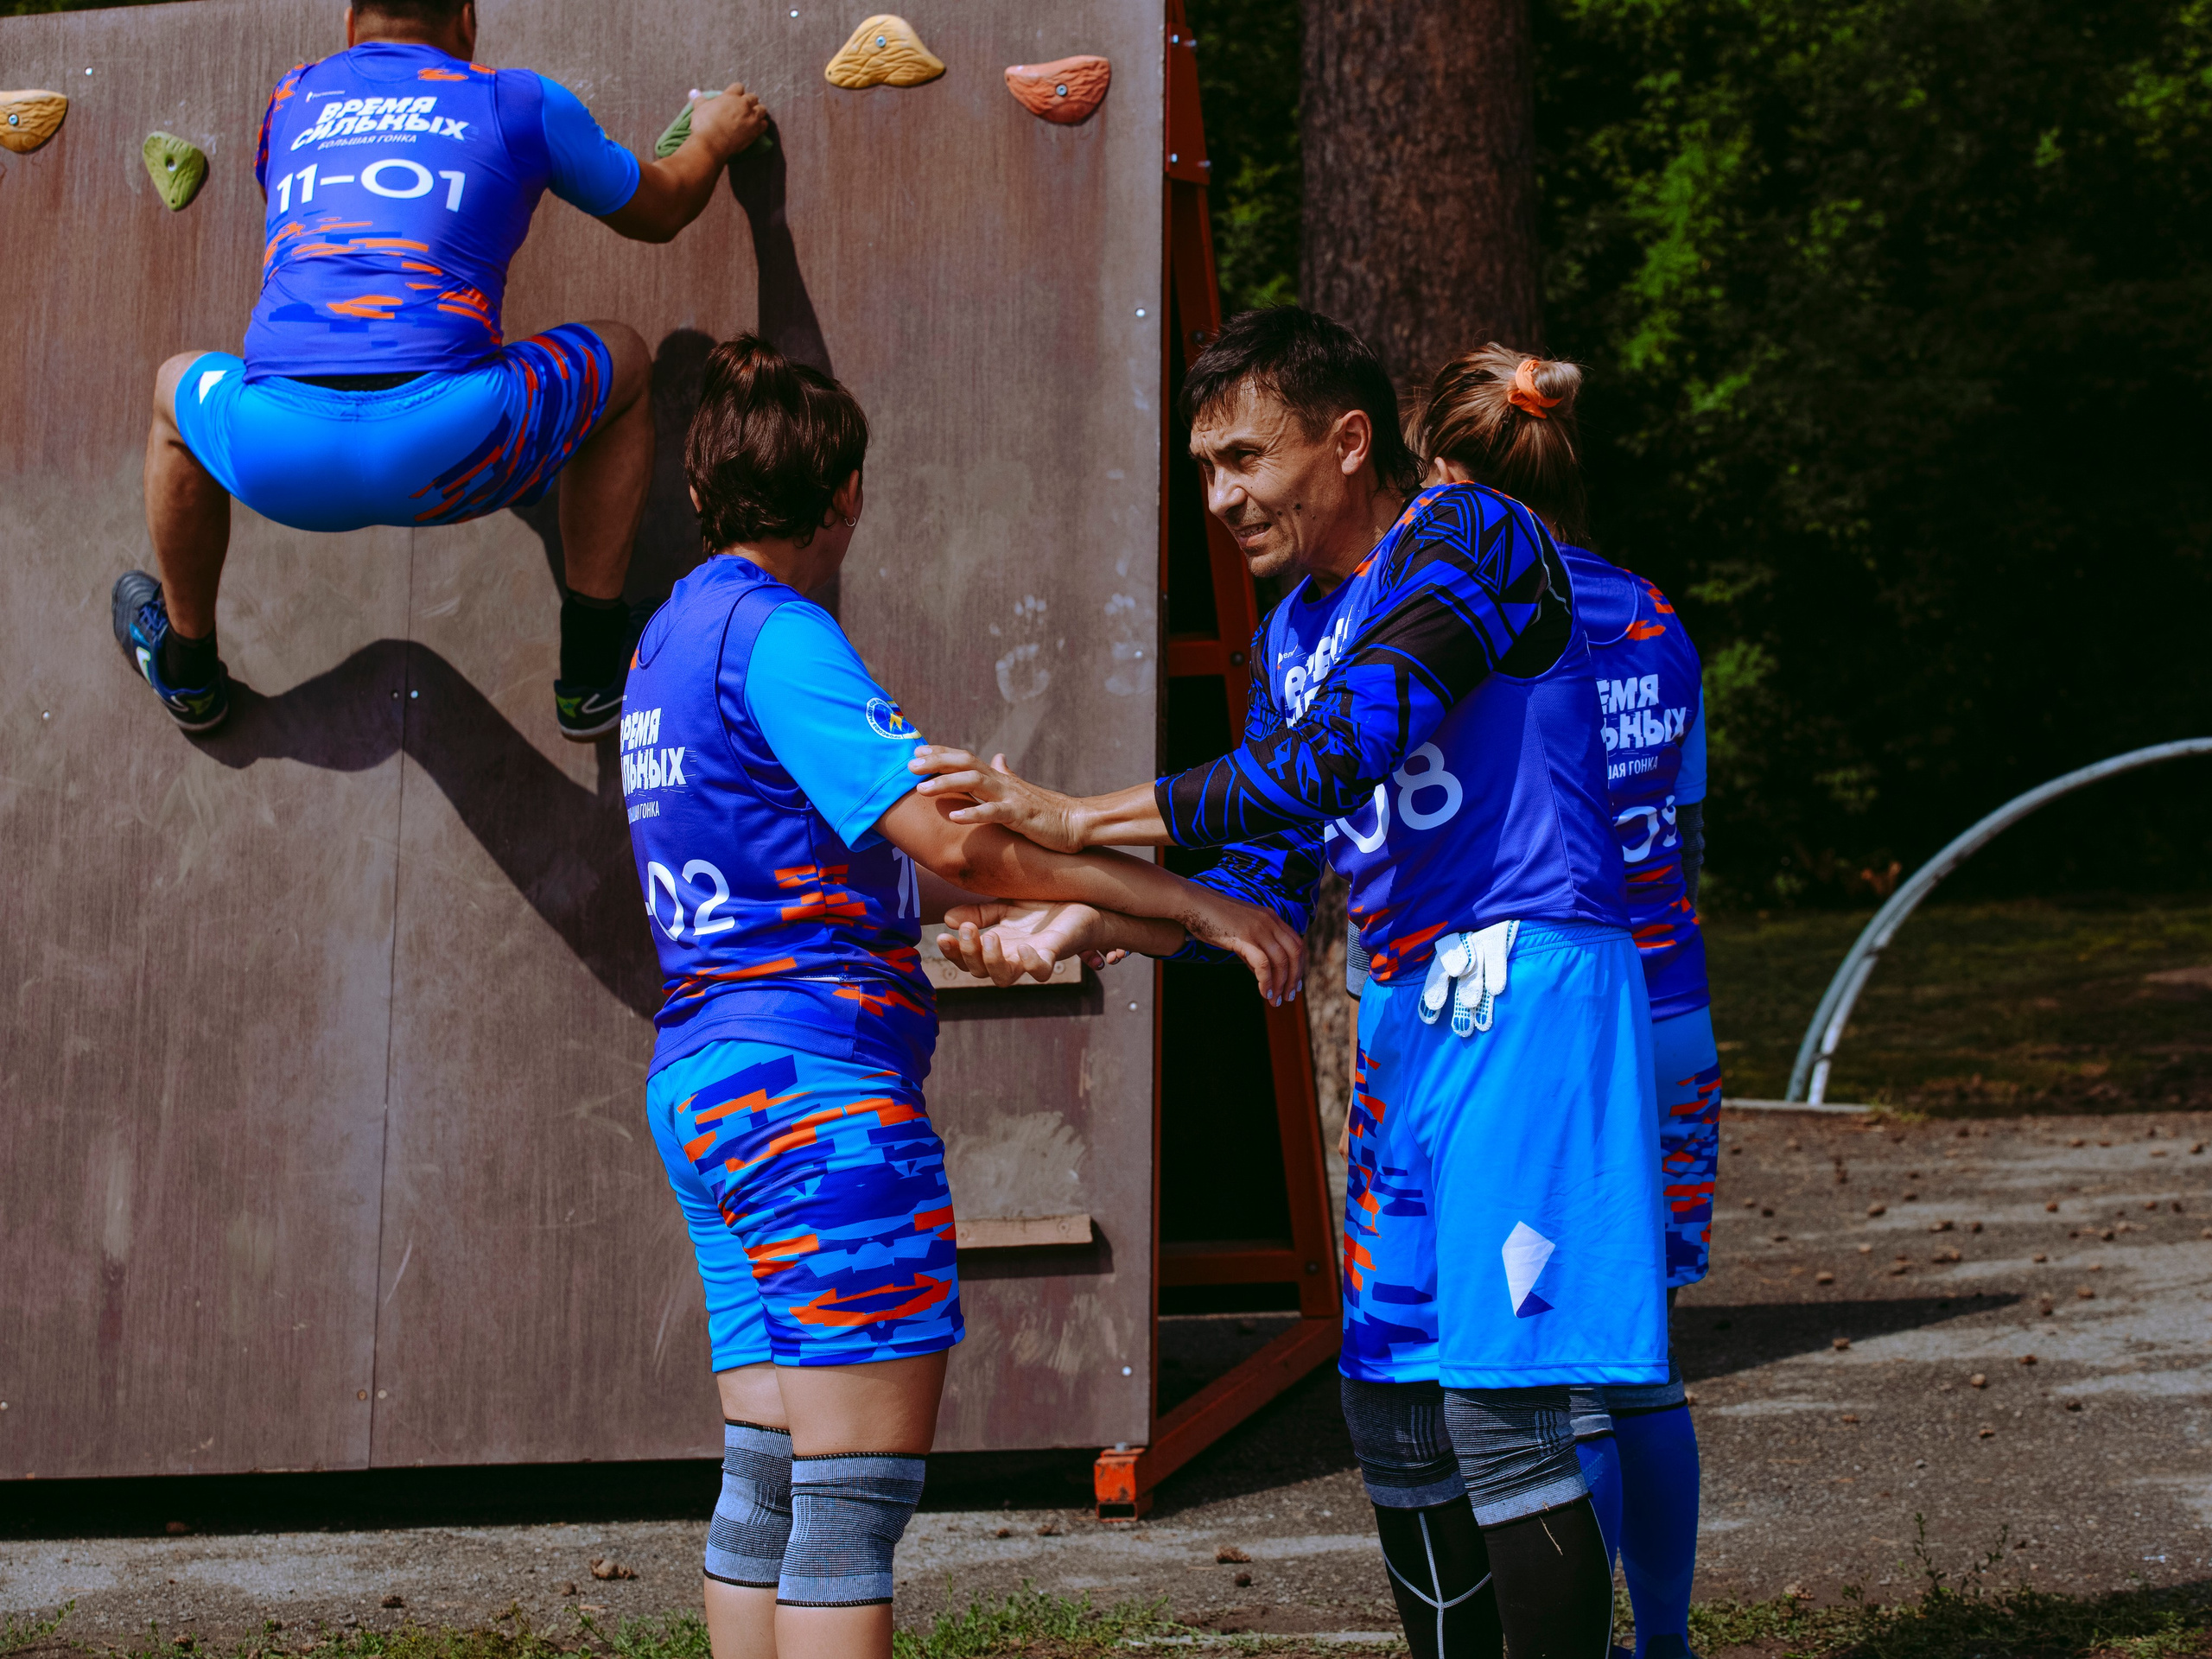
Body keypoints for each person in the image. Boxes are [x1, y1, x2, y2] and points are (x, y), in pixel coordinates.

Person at [908, 308, 1667, 1659]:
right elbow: (1258, 884)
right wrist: (1070, 926)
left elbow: (1338, 756)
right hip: (1409, 1014)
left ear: (1348, 440)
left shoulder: (1468, 536)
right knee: (1392, 1407)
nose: (1221, 498)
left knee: (1503, 1409)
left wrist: (1075, 818)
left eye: (1245, 458)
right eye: (1204, 469)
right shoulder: (1294, 628)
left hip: (1535, 982)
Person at [622, 335, 1303, 1659]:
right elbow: (958, 844)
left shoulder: (668, 640)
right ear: (847, 498)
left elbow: (842, 871)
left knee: (766, 1489)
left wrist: (1045, 915)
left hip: (708, 1086)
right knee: (847, 1516)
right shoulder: (782, 636)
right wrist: (1191, 899)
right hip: (812, 1103)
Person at [111, 0, 767, 741]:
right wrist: (710, 134)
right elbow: (662, 209)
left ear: (351, 22)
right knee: (622, 358)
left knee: (175, 390)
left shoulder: (291, 96)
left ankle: (189, 670)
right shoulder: (518, 99)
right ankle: (591, 675)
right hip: (451, 444)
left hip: (277, 452)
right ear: (466, 21)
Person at [1417, 345, 1719, 1659]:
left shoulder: (1484, 621)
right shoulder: (1655, 614)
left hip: (1551, 1017)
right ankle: (1664, 1641)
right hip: (1673, 1008)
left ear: (1442, 472)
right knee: (1641, 1355)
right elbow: (1687, 840)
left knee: (1553, 1378)